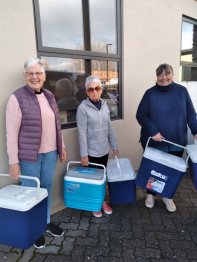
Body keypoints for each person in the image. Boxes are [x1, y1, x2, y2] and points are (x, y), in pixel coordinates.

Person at [6, 58, 67, 249]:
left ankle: (44, 222)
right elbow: (11, 133)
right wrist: (13, 162)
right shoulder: (16, 98)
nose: (35, 77)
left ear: (44, 76)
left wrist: (61, 145)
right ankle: (33, 228)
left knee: (46, 188)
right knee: (30, 191)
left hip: (50, 153)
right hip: (29, 156)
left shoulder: (49, 95)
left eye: (38, 73)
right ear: (25, 76)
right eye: (30, 73)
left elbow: (57, 124)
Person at [136, 63, 197, 212]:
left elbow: (190, 113)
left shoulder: (182, 91)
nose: (163, 78)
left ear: (172, 75)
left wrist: (196, 131)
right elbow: (140, 115)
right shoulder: (150, 94)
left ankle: (167, 196)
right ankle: (151, 194)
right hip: (155, 140)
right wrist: (153, 131)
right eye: (160, 75)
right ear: (156, 77)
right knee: (154, 169)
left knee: (171, 170)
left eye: (167, 74)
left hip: (176, 140)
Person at [76, 75, 119, 217]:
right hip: (91, 153)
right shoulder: (82, 109)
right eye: (91, 89)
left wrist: (114, 146)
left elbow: (110, 128)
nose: (94, 91)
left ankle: (102, 201)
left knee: (102, 178)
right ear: (87, 92)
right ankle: (94, 203)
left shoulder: (105, 106)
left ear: (101, 90)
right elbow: (81, 133)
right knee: (93, 180)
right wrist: (84, 155)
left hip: (104, 150)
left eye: (97, 88)